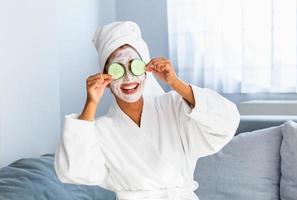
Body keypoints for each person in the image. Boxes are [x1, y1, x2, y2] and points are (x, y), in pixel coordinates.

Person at [54, 21, 240, 200]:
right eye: (117, 69)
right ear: (106, 78)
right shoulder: (101, 130)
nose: (128, 77)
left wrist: (175, 83)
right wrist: (91, 103)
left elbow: (225, 122)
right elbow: (74, 171)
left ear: (145, 70)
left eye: (134, 66)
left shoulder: (174, 107)